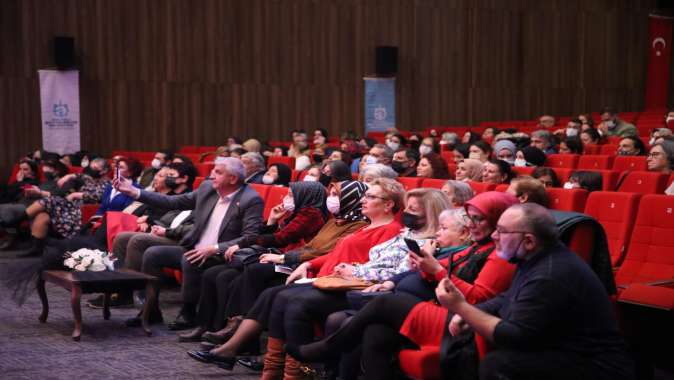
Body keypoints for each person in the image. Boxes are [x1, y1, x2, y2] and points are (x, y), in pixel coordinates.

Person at [284, 192, 519, 380]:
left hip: (461, 322)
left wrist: (434, 269)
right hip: (433, 306)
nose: (473, 224)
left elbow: (476, 299)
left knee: (384, 302)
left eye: (480, 219)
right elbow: (435, 272)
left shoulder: (499, 255)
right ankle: (329, 356)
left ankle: (325, 348)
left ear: (498, 220)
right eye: (471, 218)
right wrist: (424, 265)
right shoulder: (477, 246)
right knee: (376, 331)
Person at [186, 178, 405, 376]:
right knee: (271, 292)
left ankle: (291, 369)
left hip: (343, 284)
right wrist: (308, 263)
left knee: (282, 296)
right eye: (365, 195)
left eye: (371, 196)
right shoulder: (365, 226)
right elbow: (331, 253)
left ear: (388, 205)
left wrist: (303, 263)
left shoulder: (389, 230)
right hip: (322, 276)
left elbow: (375, 265)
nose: (364, 200)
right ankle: (266, 365)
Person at [437, 203, 635, 380]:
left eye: (501, 231)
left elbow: (514, 336)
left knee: (498, 364)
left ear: (529, 241)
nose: (494, 236)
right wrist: (476, 310)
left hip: (595, 365)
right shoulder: (535, 257)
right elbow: (509, 296)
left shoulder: (549, 274)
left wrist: (462, 308)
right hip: (560, 348)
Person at [112, 157, 264, 330]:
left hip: (220, 253)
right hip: (194, 244)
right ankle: (150, 311)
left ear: (233, 179)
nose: (211, 175)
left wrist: (215, 248)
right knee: (152, 253)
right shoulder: (208, 188)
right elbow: (173, 202)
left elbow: (251, 236)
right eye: (213, 170)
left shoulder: (250, 199)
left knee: (189, 258)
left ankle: (188, 311)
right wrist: (134, 192)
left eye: (218, 172)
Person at [178, 181, 329, 342]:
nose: (286, 198)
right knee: (212, 274)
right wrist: (271, 221)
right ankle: (208, 326)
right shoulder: (297, 212)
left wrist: (241, 244)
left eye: (290, 195)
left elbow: (281, 238)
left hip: (291, 262)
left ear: (304, 196)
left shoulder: (311, 214)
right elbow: (275, 237)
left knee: (228, 277)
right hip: (276, 257)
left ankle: (232, 332)